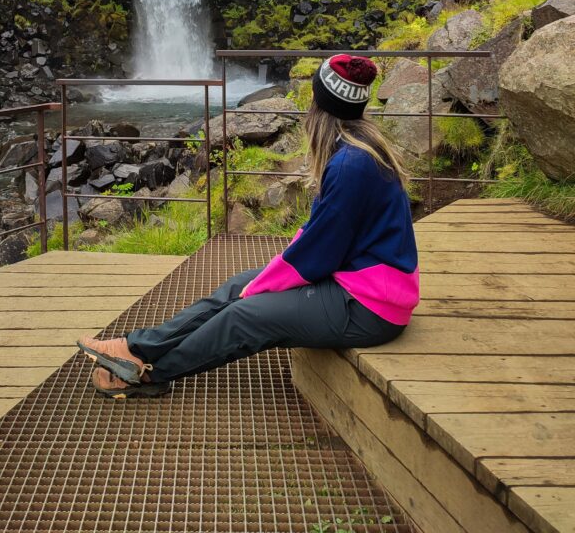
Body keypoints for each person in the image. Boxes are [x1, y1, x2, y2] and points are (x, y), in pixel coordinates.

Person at [78, 54, 419, 400]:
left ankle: (149, 375)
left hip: (370, 305)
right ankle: (136, 347)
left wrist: (267, 283)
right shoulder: (354, 149)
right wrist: (265, 278)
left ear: (321, 105)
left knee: (246, 314)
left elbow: (322, 252)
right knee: (237, 286)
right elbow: (322, 229)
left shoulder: (351, 164)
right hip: (354, 280)